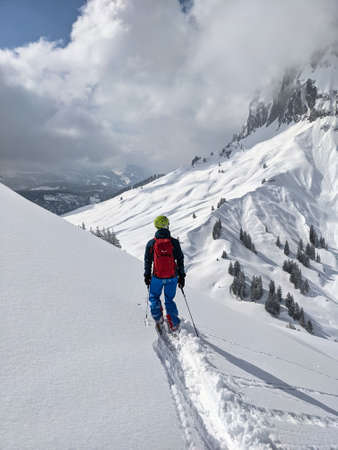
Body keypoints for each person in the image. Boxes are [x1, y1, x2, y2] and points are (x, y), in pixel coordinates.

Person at [144, 215, 185, 332]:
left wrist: (147, 276)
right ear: (167, 225)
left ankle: (158, 318)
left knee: (153, 296)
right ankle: (174, 323)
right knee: (169, 299)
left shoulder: (151, 243)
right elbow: (180, 259)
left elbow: (148, 261)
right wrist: (182, 276)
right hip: (172, 277)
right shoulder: (174, 242)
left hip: (157, 277)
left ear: (156, 226)